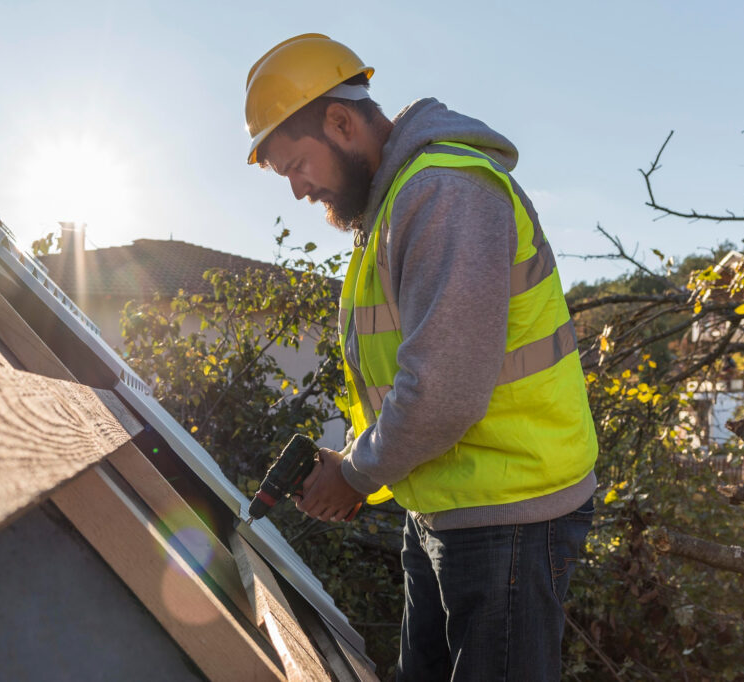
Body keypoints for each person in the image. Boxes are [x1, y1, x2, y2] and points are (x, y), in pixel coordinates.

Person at [244, 34, 597, 681]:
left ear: (340, 122)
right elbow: (402, 379)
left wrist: (353, 475)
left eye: (297, 165)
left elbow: (443, 391)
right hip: (448, 501)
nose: (298, 190)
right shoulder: (396, 205)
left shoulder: (443, 193)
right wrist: (356, 462)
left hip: (508, 510)